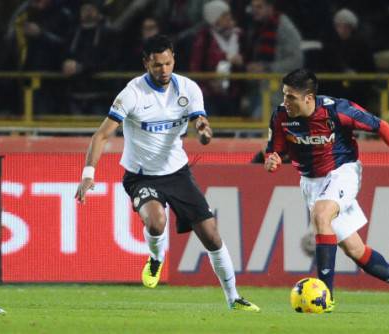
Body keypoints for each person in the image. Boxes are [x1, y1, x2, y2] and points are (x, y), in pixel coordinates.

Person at [74, 34, 259, 312]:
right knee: (156, 222)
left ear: (174, 60)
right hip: (141, 175)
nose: (164, 71)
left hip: (177, 173)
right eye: (157, 65)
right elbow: (101, 136)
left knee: (211, 235)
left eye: (168, 63)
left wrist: (204, 131)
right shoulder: (132, 94)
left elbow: (200, 120)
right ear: (146, 63)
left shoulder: (188, 88)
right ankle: (156, 258)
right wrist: (88, 173)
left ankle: (234, 298)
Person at [264, 68, 389, 313]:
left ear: (308, 98)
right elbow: (274, 148)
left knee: (321, 215)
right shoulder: (280, 116)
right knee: (355, 250)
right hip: (311, 182)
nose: (285, 101)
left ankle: (325, 296)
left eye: (291, 97)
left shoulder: (336, 110)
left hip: (342, 172)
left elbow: (381, 126)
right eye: (284, 95)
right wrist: (272, 158)